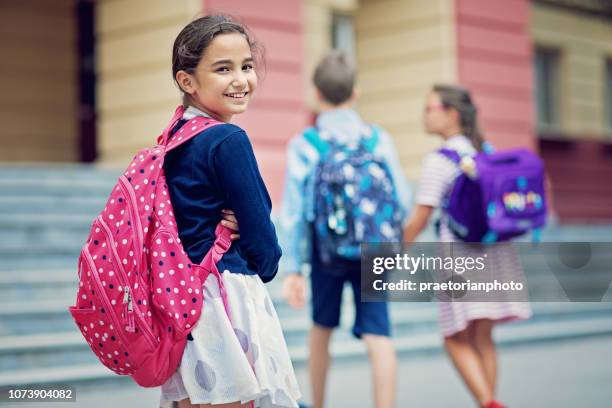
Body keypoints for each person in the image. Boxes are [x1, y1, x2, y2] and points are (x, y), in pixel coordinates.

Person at [158, 15, 301, 408]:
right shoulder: (228, 139)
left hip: (181, 297)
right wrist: (264, 255)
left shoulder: (174, 136)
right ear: (187, 81)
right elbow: (265, 250)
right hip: (224, 299)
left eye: (246, 66)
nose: (241, 79)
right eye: (223, 69)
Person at [279, 50, 411, 408]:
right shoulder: (378, 140)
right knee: (378, 333)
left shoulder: (306, 145)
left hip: (327, 253)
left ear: (316, 94)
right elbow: (402, 198)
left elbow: (295, 213)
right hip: (374, 252)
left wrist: (294, 269)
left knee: (322, 328)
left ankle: (318, 404)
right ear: (356, 93)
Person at [402, 84, 532, 408]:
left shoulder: (440, 160)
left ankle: (488, 403)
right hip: (494, 252)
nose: (424, 114)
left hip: (460, 256)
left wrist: (394, 251)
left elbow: (421, 214)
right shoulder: (485, 152)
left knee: (453, 338)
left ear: (452, 114)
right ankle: (489, 402)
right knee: (483, 337)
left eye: (430, 107)